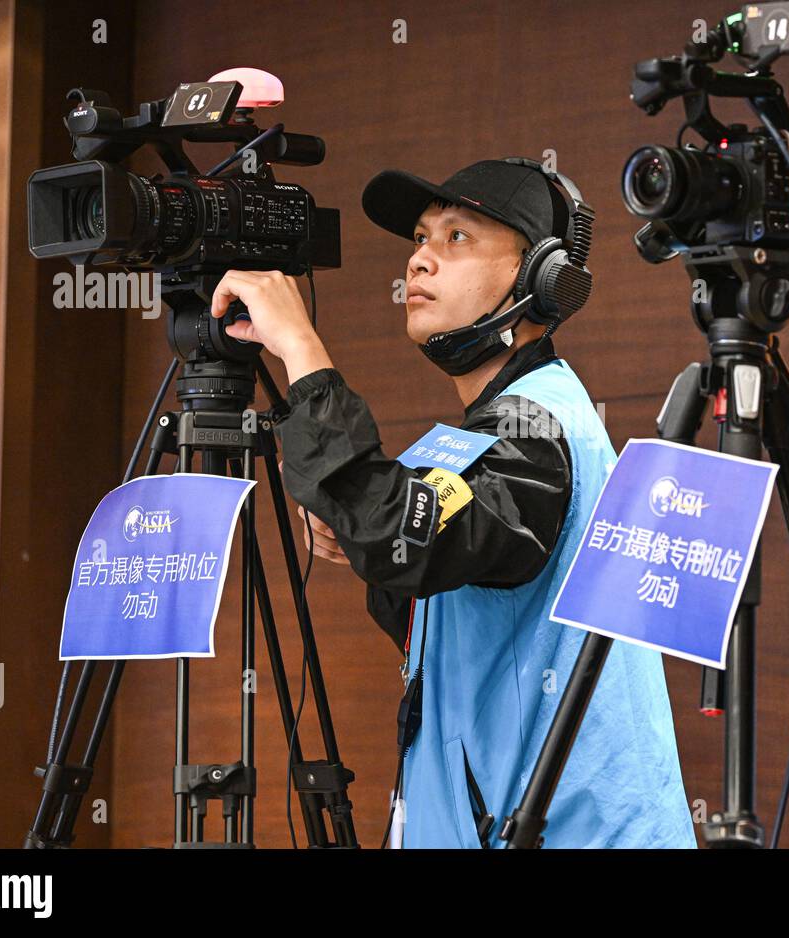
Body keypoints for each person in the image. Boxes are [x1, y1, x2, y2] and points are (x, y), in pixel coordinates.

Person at [207, 157, 696, 848]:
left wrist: (300, 346)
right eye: (419, 238)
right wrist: (365, 529)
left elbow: (407, 537)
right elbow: (434, 579)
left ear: (541, 277)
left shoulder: (536, 430)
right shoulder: (498, 427)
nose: (420, 262)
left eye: (457, 238)